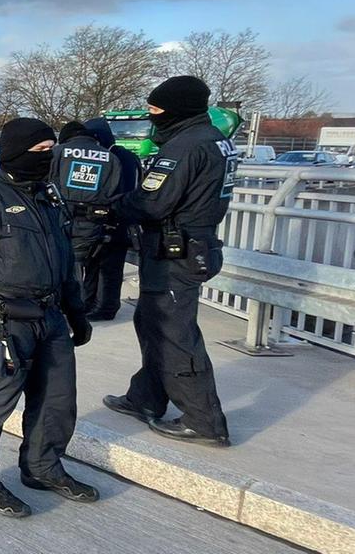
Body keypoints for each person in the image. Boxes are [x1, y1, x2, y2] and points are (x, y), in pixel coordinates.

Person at [0, 117, 96, 518]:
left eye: (52, 150)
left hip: (52, 317)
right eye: (41, 151)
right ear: (15, 153)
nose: (50, 157)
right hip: (5, 322)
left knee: (57, 402)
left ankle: (42, 468)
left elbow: (64, 260)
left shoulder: (50, 195)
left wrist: (76, 311)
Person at [104, 76, 236, 448]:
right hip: (192, 245)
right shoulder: (214, 140)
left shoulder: (185, 147)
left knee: (175, 335)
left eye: (155, 111)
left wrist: (113, 207)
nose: (151, 117)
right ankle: (145, 397)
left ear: (176, 110)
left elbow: (153, 202)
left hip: (175, 252)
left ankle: (203, 420)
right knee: (152, 323)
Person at [48, 120, 129, 321]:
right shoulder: (110, 158)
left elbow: (47, 183)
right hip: (95, 221)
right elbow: (115, 192)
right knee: (86, 265)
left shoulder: (58, 152)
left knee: (61, 266)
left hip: (61, 218)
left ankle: (63, 310)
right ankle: (79, 307)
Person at [80, 118, 141, 320]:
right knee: (94, 265)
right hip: (110, 219)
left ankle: (105, 307)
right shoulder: (122, 156)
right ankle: (90, 304)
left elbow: (122, 189)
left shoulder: (118, 157)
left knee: (109, 268)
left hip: (117, 220)